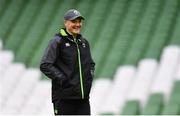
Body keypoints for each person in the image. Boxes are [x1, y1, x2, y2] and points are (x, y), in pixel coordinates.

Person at [40, 9, 95, 115]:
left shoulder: (84, 43)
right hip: (64, 100)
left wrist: (89, 78)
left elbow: (91, 64)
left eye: (79, 21)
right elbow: (45, 65)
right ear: (65, 22)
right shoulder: (57, 42)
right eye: (74, 21)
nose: (78, 24)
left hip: (83, 100)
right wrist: (63, 79)